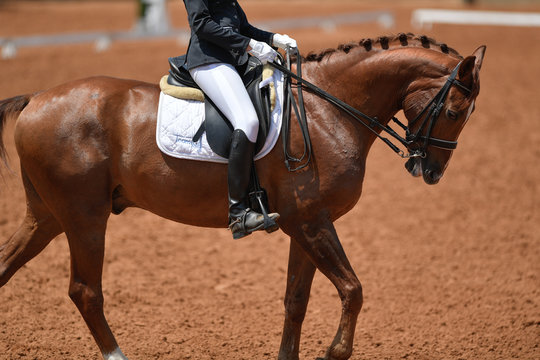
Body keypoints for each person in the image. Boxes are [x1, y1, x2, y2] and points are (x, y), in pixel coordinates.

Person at [181, 0, 297, 239]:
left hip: (234, 61)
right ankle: (238, 212)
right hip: (209, 60)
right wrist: (250, 45)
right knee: (248, 121)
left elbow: (242, 27)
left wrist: (275, 39)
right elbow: (201, 24)